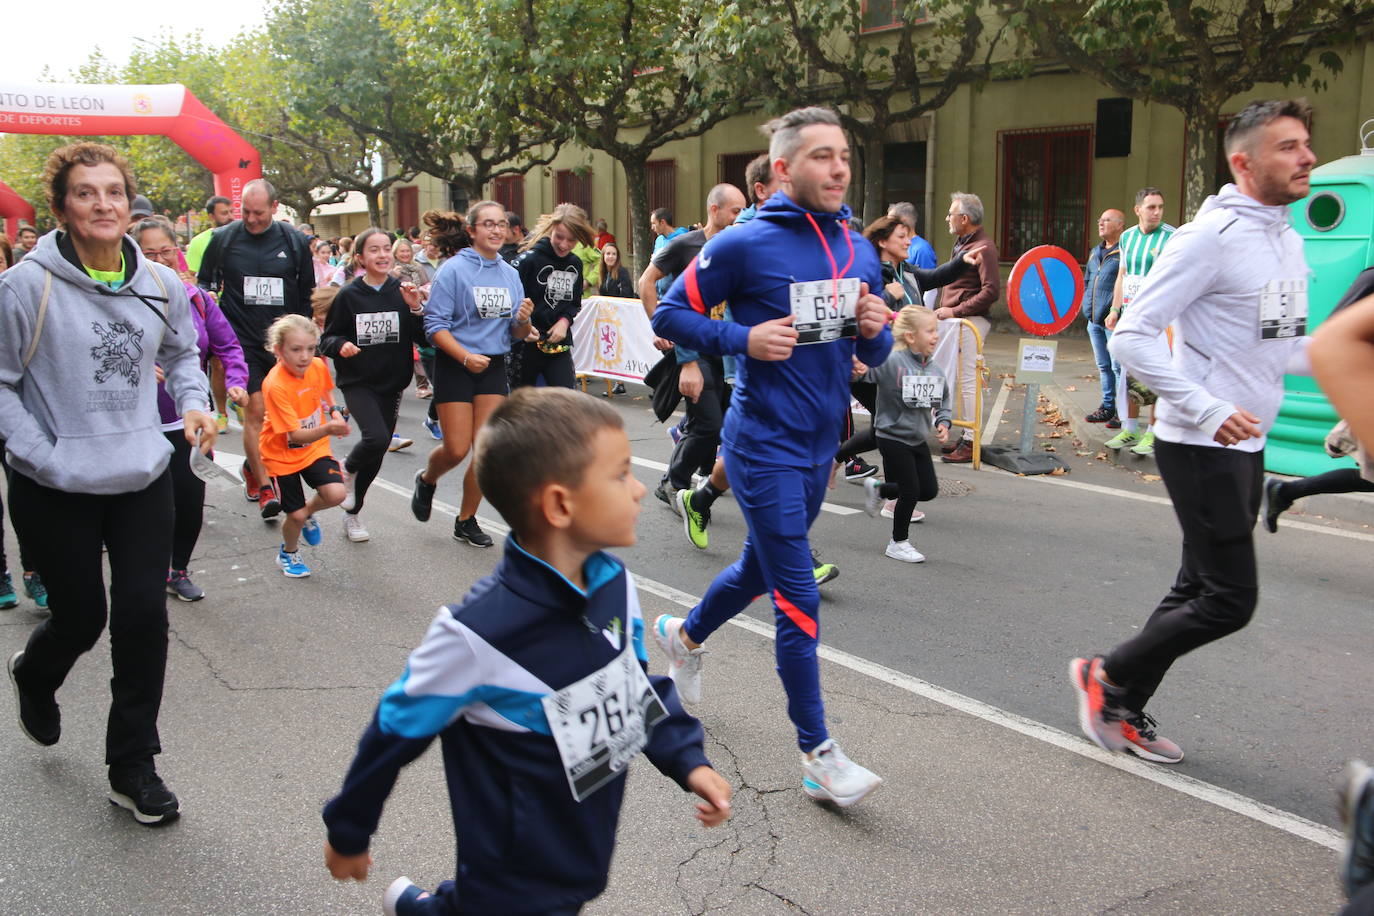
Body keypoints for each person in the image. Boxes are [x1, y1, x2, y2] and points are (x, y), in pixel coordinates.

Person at [322, 387, 732, 915]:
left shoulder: (615, 584)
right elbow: (393, 730)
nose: (637, 490)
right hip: (511, 866)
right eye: (620, 474)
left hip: (579, 846)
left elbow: (632, 685)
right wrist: (349, 832)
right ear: (561, 504)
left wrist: (687, 759)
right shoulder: (474, 633)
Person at [651, 106, 892, 807]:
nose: (839, 167)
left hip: (821, 442)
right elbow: (670, 314)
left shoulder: (858, 248)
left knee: (760, 566)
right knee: (798, 594)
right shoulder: (743, 244)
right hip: (760, 444)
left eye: (843, 154)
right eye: (821, 155)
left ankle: (683, 635)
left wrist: (876, 332)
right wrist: (742, 341)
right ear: (783, 170)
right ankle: (818, 754)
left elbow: (866, 351)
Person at [1070, 98, 1318, 766]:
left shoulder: (1286, 238)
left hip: (1247, 442)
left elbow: (1283, 346)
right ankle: (1106, 675)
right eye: (1289, 146)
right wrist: (1207, 407)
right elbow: (1130, 338)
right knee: (1230, 600)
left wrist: (1348, 365)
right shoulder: (1209, 238)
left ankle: (1117, 705)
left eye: (1306, 143)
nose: (1307, 156)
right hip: (1200, 440)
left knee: (1195, 587)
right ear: (1244, 161)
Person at [0, 142, 217, 825]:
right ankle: (35, 674)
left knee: (142, 619)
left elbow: (186, 355)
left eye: (114, 191)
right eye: (86, 193)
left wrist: (193, 401)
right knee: (82, 618)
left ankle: (133, 765)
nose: (102, 204)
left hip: (140, 472)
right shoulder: (22, 289)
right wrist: (44, 454)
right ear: (63, 207)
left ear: (130, 202)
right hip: (52, 481)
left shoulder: (160, 285)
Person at [133, 218, 249, 601]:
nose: (160, 259)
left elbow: (228, 346)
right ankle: (146, 570)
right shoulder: (120, 300)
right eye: (149, 253)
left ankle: (177, 569)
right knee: (151, 509)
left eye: (166, 250)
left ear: (178, 253)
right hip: (137, 425)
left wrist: (235, 379)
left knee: (189, 502)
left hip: (190, 419)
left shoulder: (195, 299)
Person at [410, 202, 534, 549]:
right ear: (473, 231)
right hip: (456, 364)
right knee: (455, 449)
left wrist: (524, 321)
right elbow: (435, 327)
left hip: (493, 365)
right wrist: (465, 357)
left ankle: (466, 520)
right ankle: (427, 479)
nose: (497, 231)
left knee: (485, 452)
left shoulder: (510, 274)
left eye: (502, 225)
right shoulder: (453, 270)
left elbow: (516, 332)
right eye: (488, 225)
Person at [197, 178, 315, 519]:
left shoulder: (294, 241)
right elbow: (204, 285)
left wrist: (305, 343)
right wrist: (214, 333)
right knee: (257, 411)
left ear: (275, 208)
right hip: (242, 340)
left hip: (283, 344)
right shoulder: (224, 239)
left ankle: (252, 466)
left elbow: (307, 290)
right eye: (246, 212)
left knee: (279, 417)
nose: (251, 219)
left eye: (259, 213)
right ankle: (266, 488)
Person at [638, 184, 748, 509]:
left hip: (725, 353)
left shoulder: (738, 250)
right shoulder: (685, 245)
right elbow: (646, 281)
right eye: (736, 211)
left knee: (717, 425)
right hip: (692, 349)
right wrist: (658, 322)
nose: (742, 218)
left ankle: (693, 476)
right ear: (714, 210)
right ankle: (674, 483)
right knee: (709, 423)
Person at [319, 228, 427, 544]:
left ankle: (353, 514)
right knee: (376, 437)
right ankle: (346, 467)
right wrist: (341, 345)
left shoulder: (403, 290)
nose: (382, 255)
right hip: (358, 381)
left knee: (378, 450)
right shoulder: (349, 296)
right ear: (360, 258)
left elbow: (423, 338)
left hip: (392, 382)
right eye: (374, 250)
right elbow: (327, 339)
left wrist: (415, 308)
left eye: (385, 249)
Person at [841, 306, 950, 563]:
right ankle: (898, 543)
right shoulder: (893, 361)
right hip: (891, 436)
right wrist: (856, 366)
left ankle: (878, 489)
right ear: (911, 336)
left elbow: (943, 400)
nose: (936, 336)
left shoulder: (934, 369)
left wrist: (943, 421)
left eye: (936, 330)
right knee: (910, 492)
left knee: (928, 491)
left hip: (917, 438)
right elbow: (867, 373)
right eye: (930, 331)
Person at [259, 314, 349, 578]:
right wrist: (330, 428)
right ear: (278, 350)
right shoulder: (275, 385)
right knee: (294, 517)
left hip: (315, 446)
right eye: (296, 350)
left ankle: (308, 513)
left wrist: (333, 411)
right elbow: (296, 436)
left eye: (311, 348)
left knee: (336, 494)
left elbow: (325, 391)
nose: (305, 356)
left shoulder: (317, 366)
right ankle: (288, 553)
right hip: (281, 454)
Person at [1103, 187, 1176, 455]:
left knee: (1157, 373)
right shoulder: (1127, 237)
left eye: (1160, 207)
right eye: (1151, 207)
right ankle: (1129, 429)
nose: (1156, 212)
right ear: (1138, 210)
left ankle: (1154, 433)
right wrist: (1114, 309)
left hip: (1160, 319)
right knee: (1128, 373)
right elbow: (1122, 275)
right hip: (1131, 314)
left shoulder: (1171, 237)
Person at [935, 191, 999, 464]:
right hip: (958, 322)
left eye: (951, 214)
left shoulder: (982, 247)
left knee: (969, 382)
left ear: (964, 218)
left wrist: (956, 310)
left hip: (969, 322)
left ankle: (972, 441)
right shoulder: (964, 243)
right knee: (961, 382)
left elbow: (991, 291)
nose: (947, 218)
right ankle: (966, 436)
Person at [510, 204, 594, 390]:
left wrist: (564, 322)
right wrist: (523, 325)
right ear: (550, 230)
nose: (564, 245)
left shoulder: (575, 263)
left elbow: (574, 303)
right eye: (559, 237)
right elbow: (510, 301)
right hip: (525, 346)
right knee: (521, 408)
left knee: (567, 404)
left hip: (558, 346)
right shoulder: (527, 260)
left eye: (571, 240)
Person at [1082, 209, 1125, 424]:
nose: (1101, 223)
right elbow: (1087, 280)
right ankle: (1108, 406)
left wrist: (1115, 311)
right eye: (1100, 219)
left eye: (1107, 220)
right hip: (1094, 320)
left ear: (1120, 225)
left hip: (1114, 321)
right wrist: (1085, 305)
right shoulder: (1094, 251)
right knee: (1103, 366)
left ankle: (1123, 411)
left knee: (1118, 367)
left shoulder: (1124, 252)